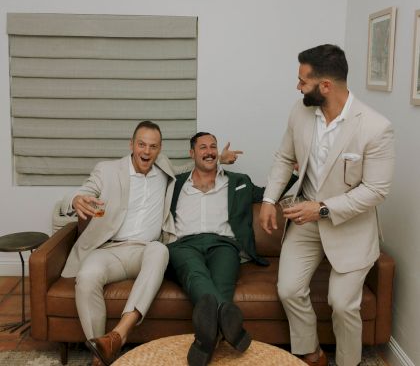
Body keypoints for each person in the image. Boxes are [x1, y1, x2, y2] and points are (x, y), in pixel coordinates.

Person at [60, 121, 240, 366]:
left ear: (159, 149)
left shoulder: (164, 169)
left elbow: (192, 164)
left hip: (144, 250)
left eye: (153, 146)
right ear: (131, 144)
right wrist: (76, 199)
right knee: (87, 277)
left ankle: (119, 334)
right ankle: (100, 351)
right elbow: (84, 190)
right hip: (108, 249)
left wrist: (218, 158)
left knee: (160, 250)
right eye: (141, 145)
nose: (146, 151)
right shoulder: (108, 170)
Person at [259, 44, 395, 366]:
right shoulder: (299, 111)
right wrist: (268, 199)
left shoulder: (376, 128)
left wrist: (321, 208)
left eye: (302, 81)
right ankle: (311, 354)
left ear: (325, 86)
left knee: (343, 303)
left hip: (350, 226)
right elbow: (284, 157)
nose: (297, 87)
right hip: (306, 221)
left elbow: (376, 190)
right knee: (289, 290)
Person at [168, 132, 297, 366]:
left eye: (213, 147)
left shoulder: (238, 182)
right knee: (194, 273)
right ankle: (233, 329)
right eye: (203, 147)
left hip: (224, 245)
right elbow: (157, 163)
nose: (209, 151)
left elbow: (269, 193)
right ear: (191, 153)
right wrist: (217, 160)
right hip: (185, 245)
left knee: (221, 284)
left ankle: (205, 341)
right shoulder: (175, 182)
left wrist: (295, 171)